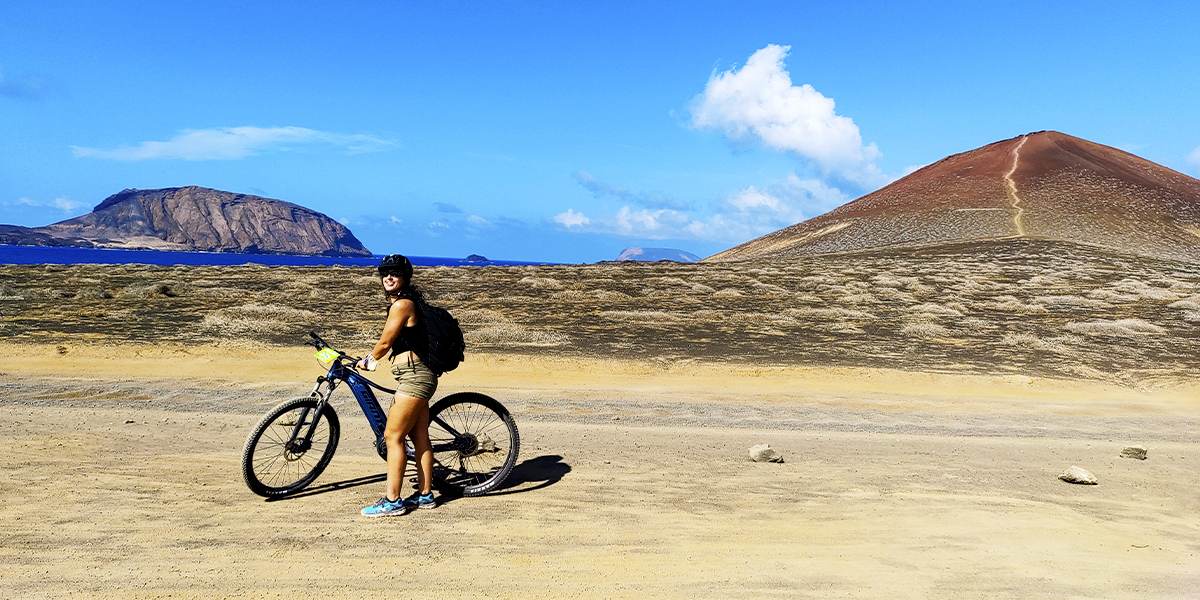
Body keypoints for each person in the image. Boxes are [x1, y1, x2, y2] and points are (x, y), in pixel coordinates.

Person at [357, 254, 439, 517]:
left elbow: (385, 343)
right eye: (384, 273)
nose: (388, 277)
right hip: (418, 375)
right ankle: (425, 496)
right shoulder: (407, 303)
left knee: (393, 437)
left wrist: (370, 360)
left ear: (405, 277)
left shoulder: (402, 305)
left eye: (394, 273)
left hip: (415, 378)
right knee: (420, 437)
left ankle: (393, 501)